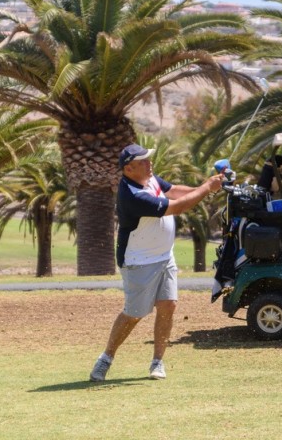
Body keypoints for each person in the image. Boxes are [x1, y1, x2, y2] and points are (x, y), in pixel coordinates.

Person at [90, 143, 223, 382]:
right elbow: (177, 206)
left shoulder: (149, 179)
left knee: (168, 305)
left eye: (148, 159)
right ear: (129, 169)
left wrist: (208, 187)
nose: (149, 163)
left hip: (164, 256)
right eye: (143, 161)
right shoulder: (132, 195)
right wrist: (206, 188)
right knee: (134, 314)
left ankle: (157, 362)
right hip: (139, 262)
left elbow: (173, 191)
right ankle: (106, 358)